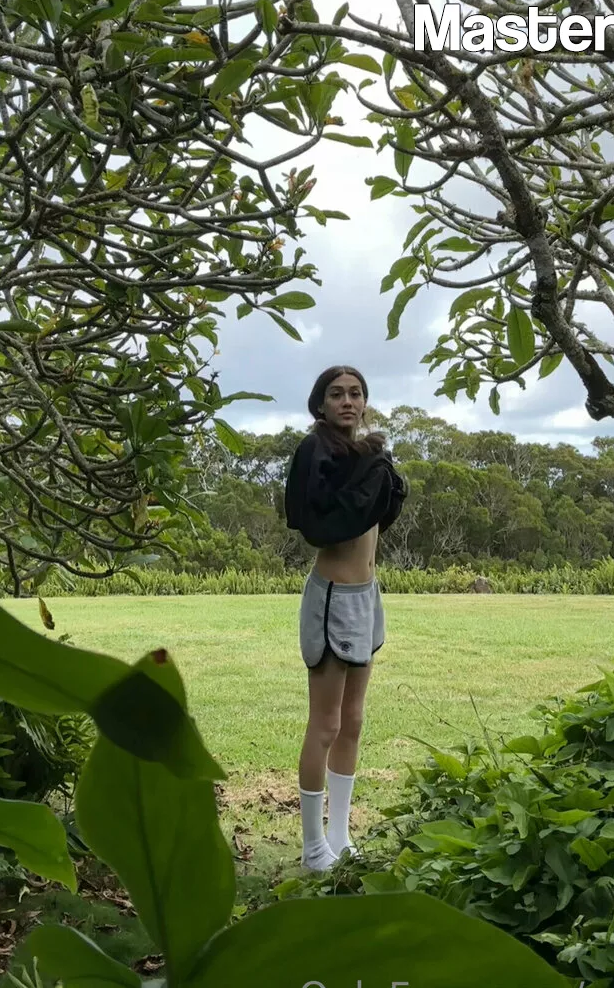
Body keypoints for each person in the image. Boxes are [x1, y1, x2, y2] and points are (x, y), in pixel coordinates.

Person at [283, 365, 407, 871]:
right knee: (326, 723)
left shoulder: (366, 457)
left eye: (356, 393)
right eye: (337, 394)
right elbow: (319, 520)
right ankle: (314, 848)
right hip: (333, 598)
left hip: (366, 596)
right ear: (321, 403)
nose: (348, 401)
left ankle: (339, 836)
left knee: (353, 721)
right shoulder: (318, 453)